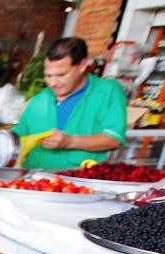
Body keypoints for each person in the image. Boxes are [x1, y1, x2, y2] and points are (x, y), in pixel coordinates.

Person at [14, 36, 127, 169]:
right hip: (33, 183)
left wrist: (70, 141)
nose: (53, 83)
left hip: (78, 183)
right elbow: (19, 133)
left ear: (82, 66)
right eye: (48, 75)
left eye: (61, 75)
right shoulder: (41, 98)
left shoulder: (107, 91)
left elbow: (113, 139)